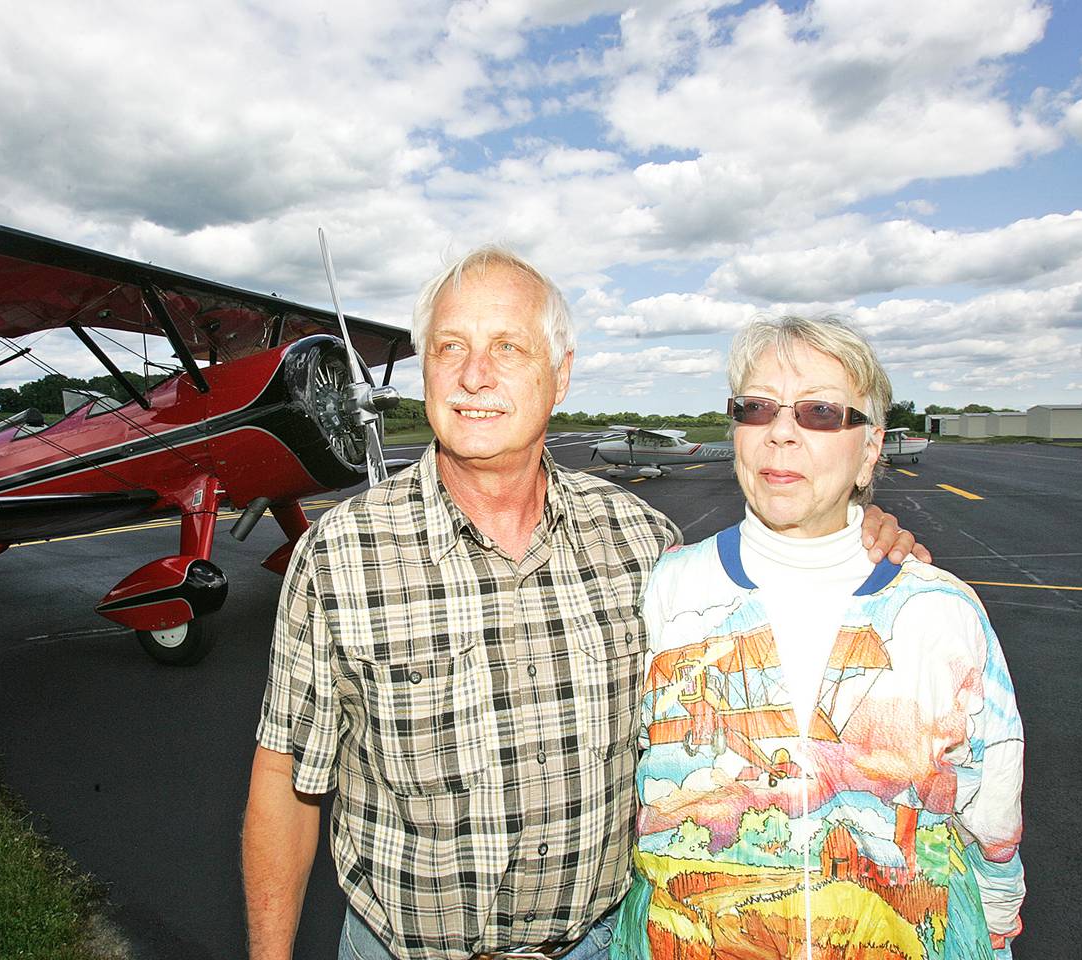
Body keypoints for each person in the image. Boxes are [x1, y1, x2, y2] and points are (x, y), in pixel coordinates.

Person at [241, 250, 924, 960]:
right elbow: (286, 776)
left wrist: (859, 535)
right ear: (426, 371)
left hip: (599, 943)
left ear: (560, 375)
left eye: (508, 346)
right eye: (451, 347)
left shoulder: (644, 545)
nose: (475, 375)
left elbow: (766, 637)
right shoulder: (339, 555)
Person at [612, 316, 1024, 960]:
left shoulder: (940, 610)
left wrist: (997, 928)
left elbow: (996, 801)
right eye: (757, 408)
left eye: (822, 413)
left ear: (869, 449)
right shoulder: (666, 586)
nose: (781, 432)